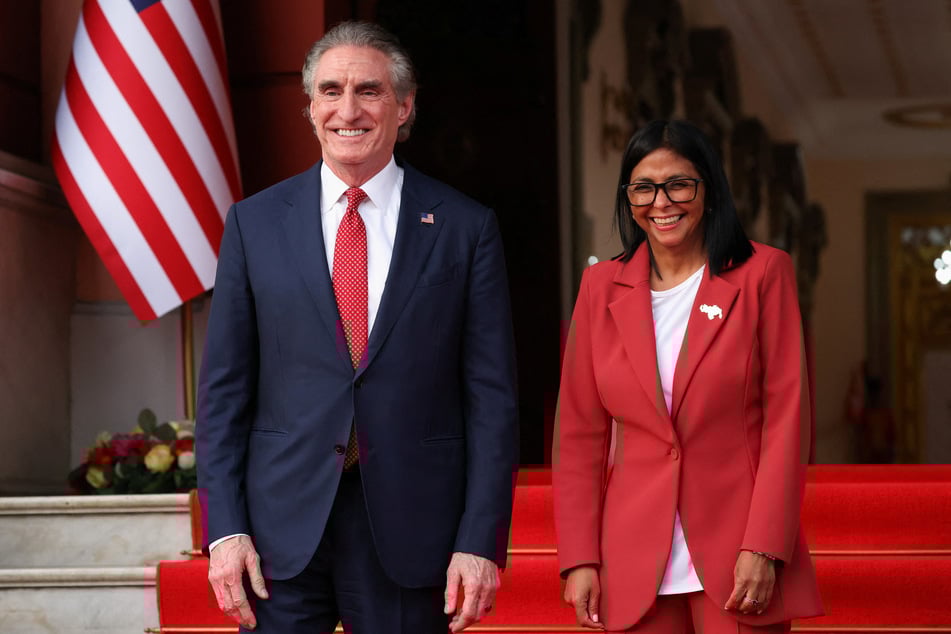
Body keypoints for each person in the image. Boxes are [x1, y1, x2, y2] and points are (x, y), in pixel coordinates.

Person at [196, 21, 519, 634]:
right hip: (278, 537)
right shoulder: (253, 224)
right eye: (330, 91)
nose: (348, 110)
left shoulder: (464, 227)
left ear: (404, 107)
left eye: (369, 91)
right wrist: (225, 530)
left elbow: (491, 400)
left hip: (413, 530)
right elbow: (223, 395)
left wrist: (480, 540)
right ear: (310, 108)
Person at [552, 119, 822, 632]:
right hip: (632, 558)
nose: (662, 202)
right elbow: (579, 434)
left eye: (679, 183)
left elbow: (786, 422)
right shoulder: (599, 287)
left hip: (736, 550)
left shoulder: (763, 274)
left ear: (709, 189)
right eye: (644, 187)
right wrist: (580, 557)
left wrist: (765, 545)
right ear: (628, 198)